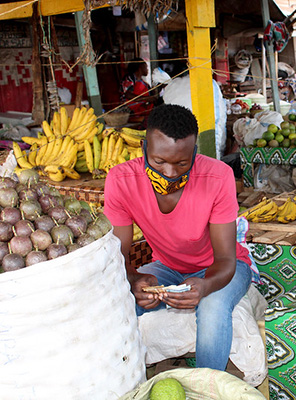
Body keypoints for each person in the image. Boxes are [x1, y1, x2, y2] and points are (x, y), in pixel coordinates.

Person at [104, 104, 256, 371]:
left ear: (195, 152)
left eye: (181, 163)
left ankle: (208, 387)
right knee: (118, 303)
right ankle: (125, 381)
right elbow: (118, 254)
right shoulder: (121, 180)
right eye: (159, 161)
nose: (170, 172)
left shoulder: (218, 176)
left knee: (212, 307)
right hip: (167, 267)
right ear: (144, 148)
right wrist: (135, 278)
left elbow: (225, 259)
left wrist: (205, 287)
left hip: (223, 269)